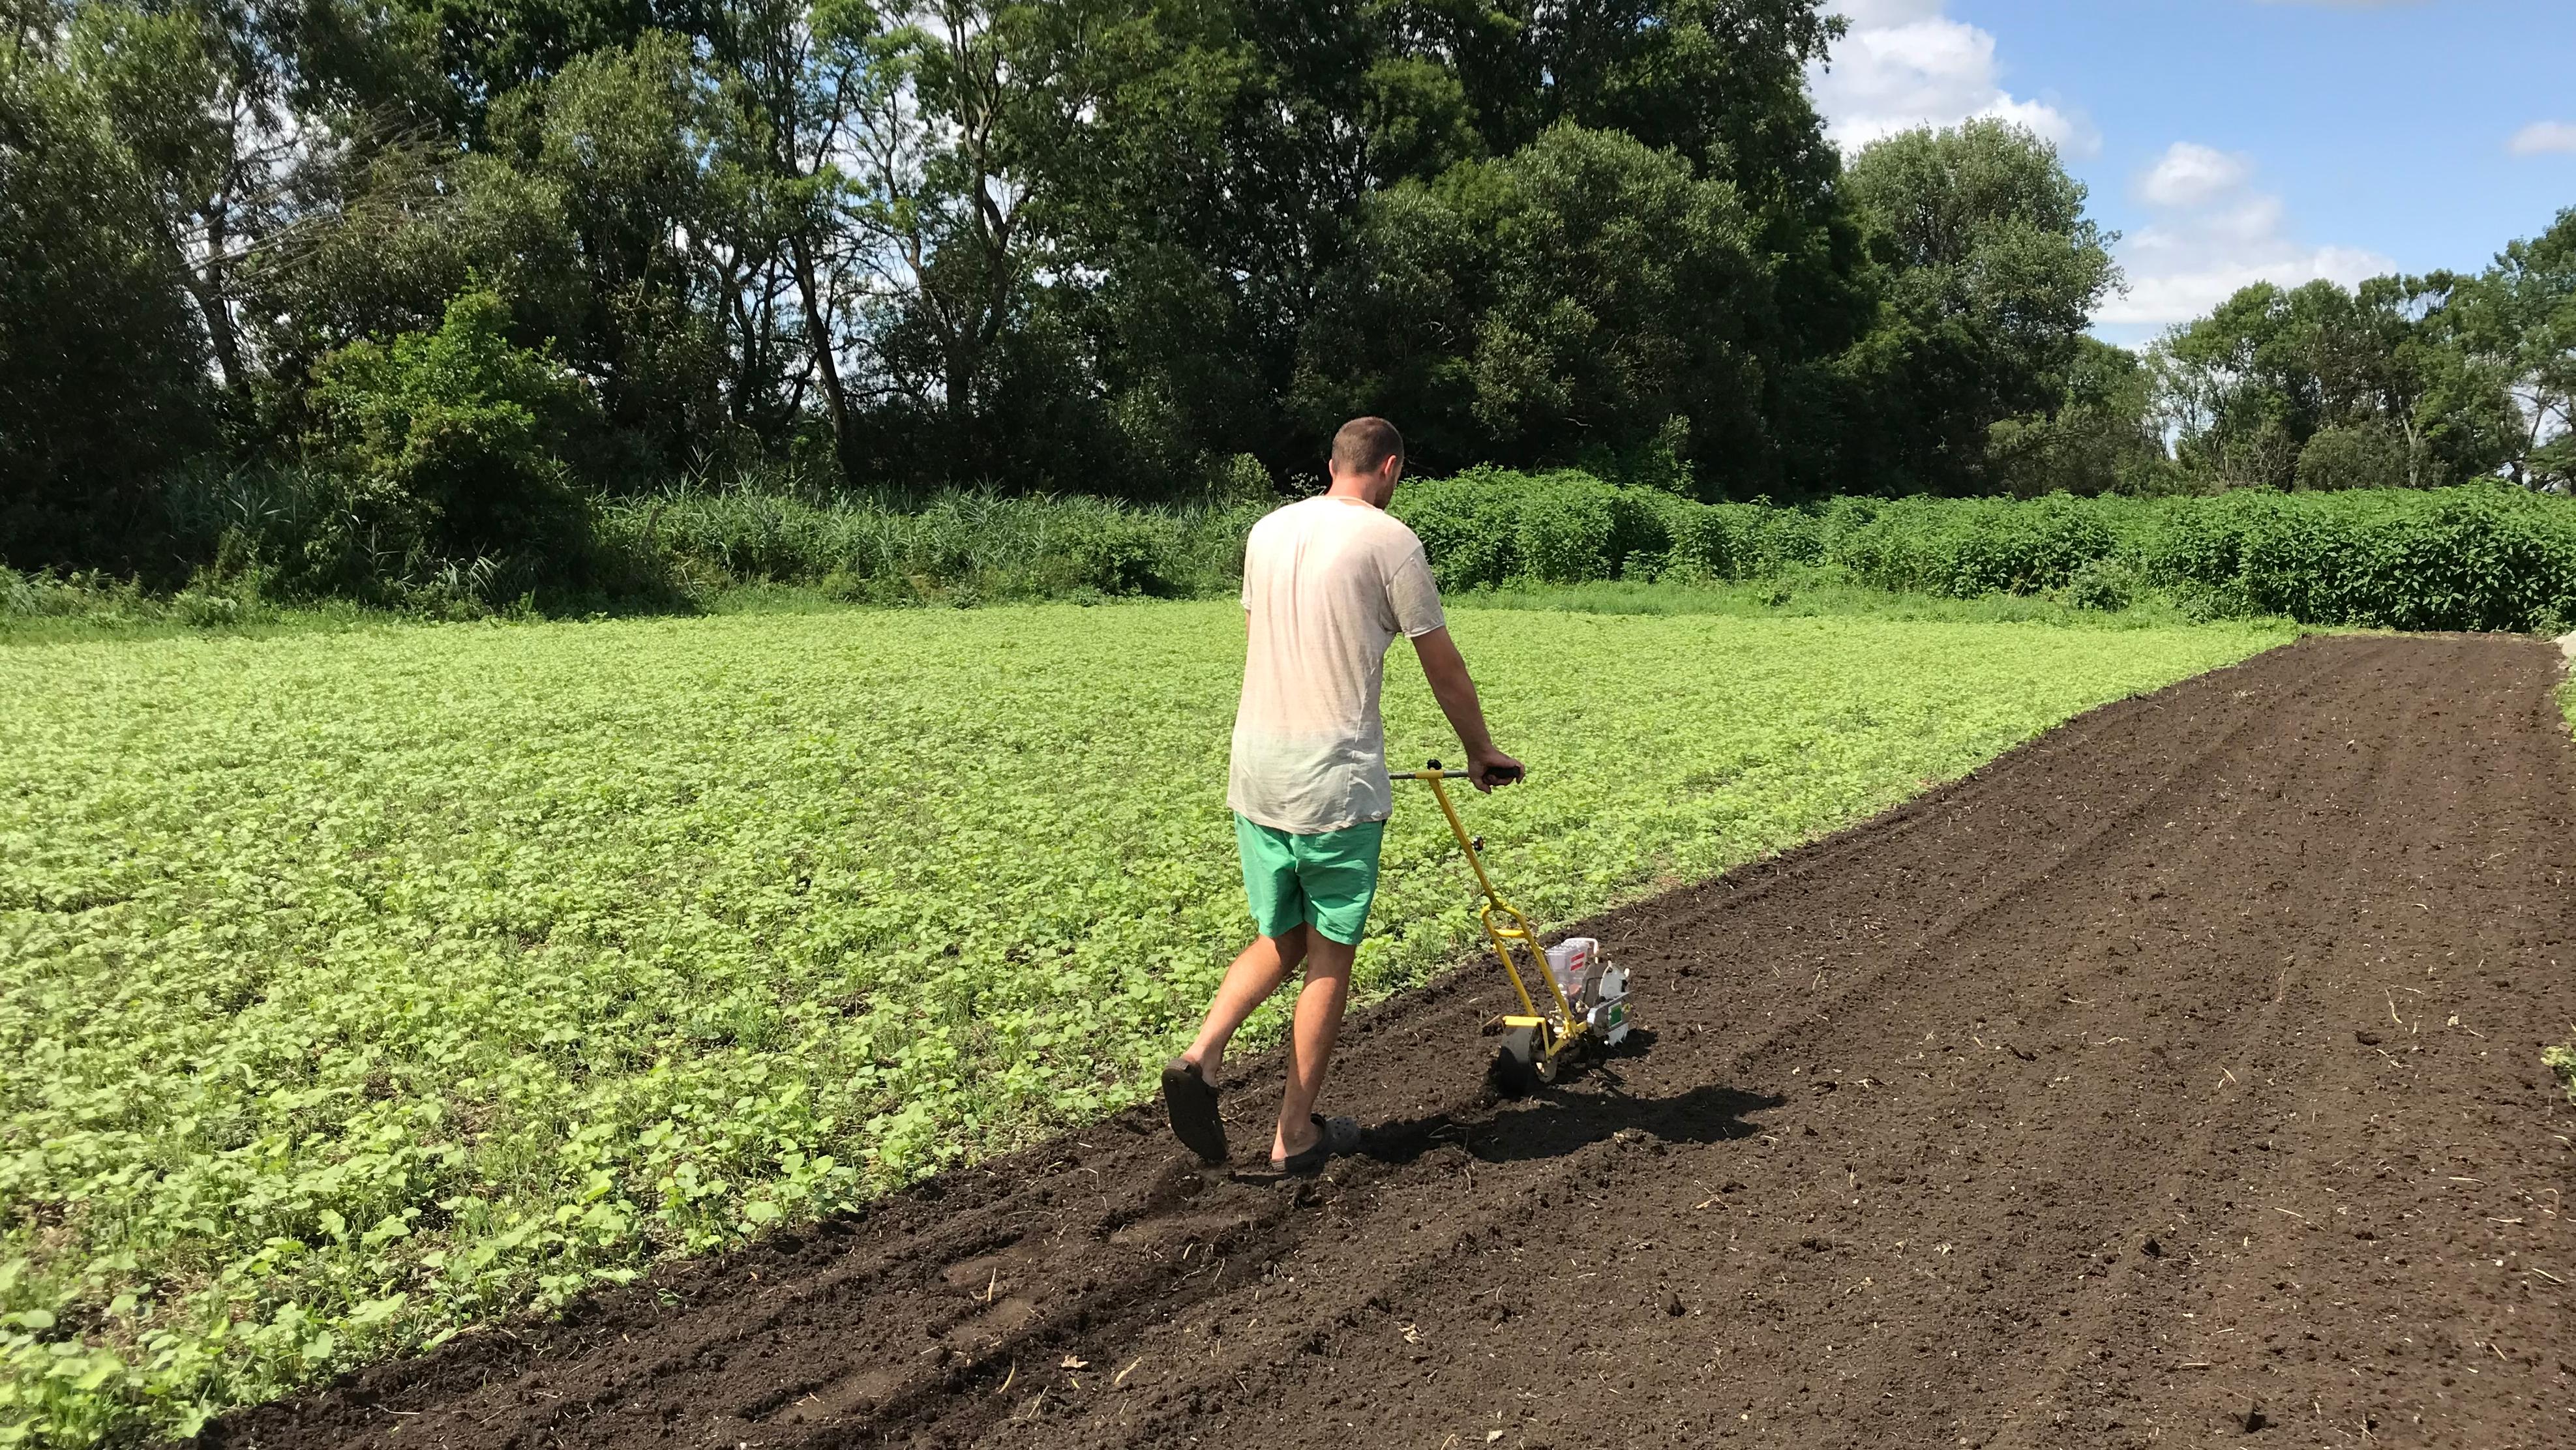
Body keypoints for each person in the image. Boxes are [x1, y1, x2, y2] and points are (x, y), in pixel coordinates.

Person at [1161, 416, 1522, 1174]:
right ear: (1389, 467)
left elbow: (1273, 634)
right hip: (1334, 781)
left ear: (1332, 465)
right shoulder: (1389, 542)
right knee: (1329, 952)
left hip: (1256, 771)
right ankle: (1295, 1132)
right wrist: (1478, 750)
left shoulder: (1266, 532)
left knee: (1280, 936)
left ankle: (1201, 1053)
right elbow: (1442, 665)